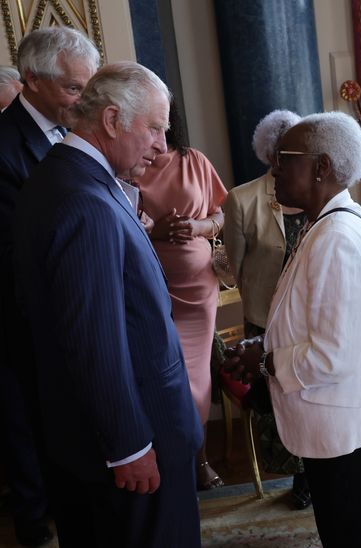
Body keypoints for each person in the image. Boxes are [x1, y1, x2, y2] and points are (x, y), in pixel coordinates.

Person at [15, 61, 204, 548]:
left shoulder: (64, 178)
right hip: (136, 433)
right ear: (114, 119)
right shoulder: (84, 201)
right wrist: (129, 446)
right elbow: (93, 340)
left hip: (117, 424)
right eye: (155, 129)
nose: (162, 145)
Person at [224, 112, 361, 548]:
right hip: (332, 419)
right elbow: (307, 318)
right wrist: (265, 341)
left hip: (345, 425)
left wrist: (267, 360)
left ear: (323, 168)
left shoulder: (338, 239)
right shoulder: (322, 223)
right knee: (337, 535)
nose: (274, 172)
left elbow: (330, 356)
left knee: (350, 543)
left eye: (286, 161)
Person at [0, 27, 98, 548]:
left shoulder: (69, 133)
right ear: (31, 81)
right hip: (32, 321)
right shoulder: (4, 146)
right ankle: (43, 518)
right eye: (74, 89)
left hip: (74, 313)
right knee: (38, 425)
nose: (83, 100)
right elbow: (18, 253)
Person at [222, 108, 313, 509]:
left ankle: (316, 471)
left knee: (313, 398)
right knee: (278, 402)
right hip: (265, 320)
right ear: (270, 154)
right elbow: (235, 266)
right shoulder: (242, 199)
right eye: (282, 152)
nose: (287, 159)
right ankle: (296, 475)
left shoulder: (317, 195)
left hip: (311, 319)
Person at [136, 99, 228, 491]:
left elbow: (223, 214)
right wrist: (155, 232)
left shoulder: (194, 160)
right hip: (148, 285)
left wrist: (196, 226)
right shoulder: (128, 165)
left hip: (196, 290)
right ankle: (166, 458)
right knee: (157, 372)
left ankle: (198, 458)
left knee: (195, 376)